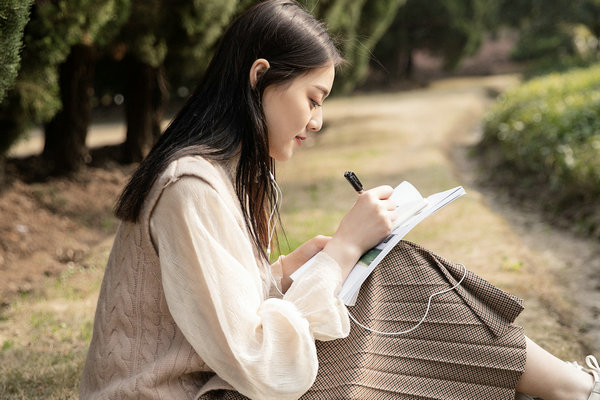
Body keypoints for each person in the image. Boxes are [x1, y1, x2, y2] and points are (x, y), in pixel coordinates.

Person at [79, 1, 600, 399]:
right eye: (312, 99)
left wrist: (287, 270)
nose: (317, 121)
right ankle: (573, 387)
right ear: (260, 77)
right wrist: (342, 252)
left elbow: (211, 311)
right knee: (388, 275)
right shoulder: (191, 186)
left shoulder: (216, 174)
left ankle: (567, 385)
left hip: (211, 385)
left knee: (384, 267)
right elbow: (261, 362)